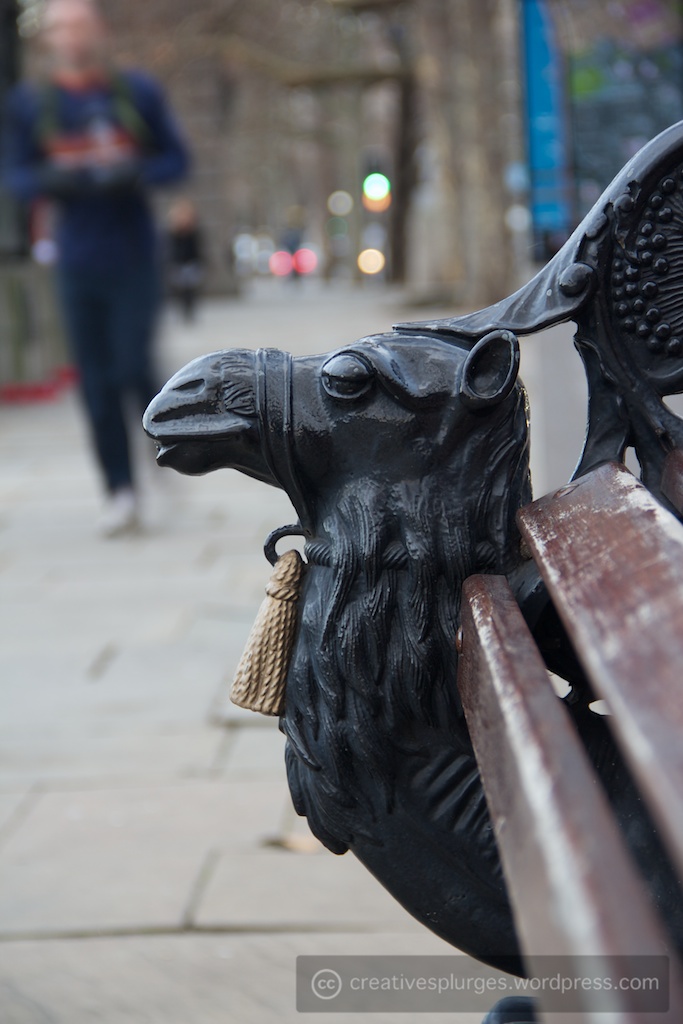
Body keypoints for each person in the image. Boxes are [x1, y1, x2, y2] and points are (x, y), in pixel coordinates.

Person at [3, 0, 190, 535]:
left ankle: (166, 451)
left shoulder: (135, 93)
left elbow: (176, 160)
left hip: (133, 255)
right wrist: (52, 181)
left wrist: (137, 173)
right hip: (75, 259)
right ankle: (119, 489)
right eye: (61, 27)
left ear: (99, 31)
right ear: (48, 38)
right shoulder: (32, 105)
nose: (72, 36)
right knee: (95, 380)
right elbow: (15, 173)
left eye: (80, 24)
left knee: (133, 365)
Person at [166, 198, 204, 322]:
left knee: (191, 289)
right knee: (180, 289)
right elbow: (170, 248)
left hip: (191, 262)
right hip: (178, 263)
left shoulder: (194, 231)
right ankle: (183, 310)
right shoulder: (174, 233)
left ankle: (190, 311)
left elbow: (198, 248)